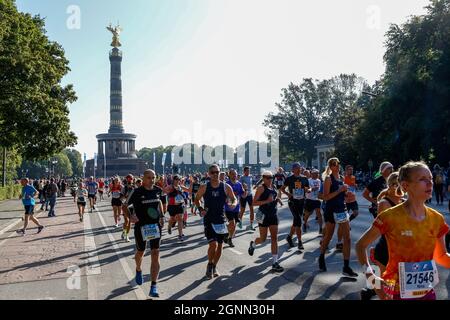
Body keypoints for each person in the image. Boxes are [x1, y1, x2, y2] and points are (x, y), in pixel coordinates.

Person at [356, 161, 450, 300]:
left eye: (430, 179)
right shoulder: (390, 216)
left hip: (426, 292)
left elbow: (440, 256)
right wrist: (372, 279)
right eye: (423, 179)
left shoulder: (437, 219)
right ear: (406, 185)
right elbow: (360, 246)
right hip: (395, 293)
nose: (430, 183)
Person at [360, 171, 404, 300]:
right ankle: (370, 291)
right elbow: (384, 229)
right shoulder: (384, 203)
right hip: (386, 249)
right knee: (387, 291)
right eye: (395, 185)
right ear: (389, 186)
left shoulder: (405, 202)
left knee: (396, 288)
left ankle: (369, 291)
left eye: (400, 184)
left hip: (401, 250)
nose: (398, 188)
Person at [195, 164, 237, 279]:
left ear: (220, 173)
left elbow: (234, 198)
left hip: (220, 220)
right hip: (209, 219)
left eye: (217, 172)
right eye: (212, 172)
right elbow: (197, 199)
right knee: (213, 244)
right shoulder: (204, 187)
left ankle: (214, 266)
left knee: (220, 245)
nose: (215, 174)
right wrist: (200, 209)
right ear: (209, 174)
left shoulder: (225, 187)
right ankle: (209, 264)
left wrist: (233, 204)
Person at [126, 170, 164, 298]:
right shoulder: (136, 192)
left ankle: (154, 285)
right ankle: (138, 268)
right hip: (141, 227)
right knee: (141, 252)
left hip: (155, 226)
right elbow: (125, 206)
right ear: (143, 178)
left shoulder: (158, 190)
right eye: (149, 178)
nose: (152, 180)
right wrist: (131, 216)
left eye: (153, 177)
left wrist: (162, 216)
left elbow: (160, 203)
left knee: (155, 252)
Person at [318, 158, 358, 277]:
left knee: (348, 238)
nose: (337, 166)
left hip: (342, 209)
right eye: (334, 164)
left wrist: (346, 194)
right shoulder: (328, 179)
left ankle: (346, 267)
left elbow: (341, 194)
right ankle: (321, 257)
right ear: (330, 167)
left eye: (338, 163)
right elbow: (325, 197)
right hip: (331, 210)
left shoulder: (341, 178)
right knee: (329, 236)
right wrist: (340, 190)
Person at [248, 171, 284, 272]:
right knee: (263, 239)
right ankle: (253, 244)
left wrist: (277, 200)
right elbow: (254, 203)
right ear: (263, 178)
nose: (270, 179)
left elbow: (274, 197)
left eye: (271, 177)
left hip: (273, 215)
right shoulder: (261, 188)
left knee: (274, 238)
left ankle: (275, 262)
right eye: (267, 178)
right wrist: (267, 201)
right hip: (263, 216)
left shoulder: (273, 187)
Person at [281, 162, 310, 252]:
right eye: (296, 168)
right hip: (292, 202)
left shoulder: (304, 178)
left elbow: (307, 188)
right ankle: (300, 242)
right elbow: (282, 188)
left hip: (301, 202)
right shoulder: (289, 179)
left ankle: (289, 237)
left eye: (299, 167)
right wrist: (288, 194)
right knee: (298, 220)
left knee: (296, 221)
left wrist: (308, 190)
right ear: (293, 169)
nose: (298, 169)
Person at [335, 165, 359, 251]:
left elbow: (352, 186)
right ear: (346, 171)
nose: (351, 171)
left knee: (356, 213)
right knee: (342, 223)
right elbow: (341, 188)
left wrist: (355, 186)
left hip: (353, 200)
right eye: (349, 169)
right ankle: (339, 242)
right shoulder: (343, 178)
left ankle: (348, 222)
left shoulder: (353, 177)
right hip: (345, 201)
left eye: (352, 169)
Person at [164, 175, 190, 241]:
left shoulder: (180, 186)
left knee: (180, 219)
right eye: (176, 179)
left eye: (178, 179)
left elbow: (189, 190)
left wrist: (192, 183)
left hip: (180, 205)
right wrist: (167, 191)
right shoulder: (170, 187)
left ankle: (180, 235)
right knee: (172, 219)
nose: (177, 181)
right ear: (173, 180)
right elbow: (163, 191)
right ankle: (169, 226)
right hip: (172, 205)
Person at [225, 169, 246, 248]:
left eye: (235, 174)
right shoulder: (226, 184)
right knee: (232, 223)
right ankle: (225, 233)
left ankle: (229, 238)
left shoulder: (239, 184)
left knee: (234, 226)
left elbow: (243, 195)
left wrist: (246, 189)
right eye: (233, 174)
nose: (234, 176)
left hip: (236, 207)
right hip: (228, 207)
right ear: (229, 175)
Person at [303, 169, 323, 235]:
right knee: (308, 213)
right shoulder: (308, 181)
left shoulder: (319, 181)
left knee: (319, 213)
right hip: (309, 199)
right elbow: (306, 190)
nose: (317, 174)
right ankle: (305, 223)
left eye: (318, 173)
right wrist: (311, 189)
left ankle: (320, 229)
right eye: (315, 173)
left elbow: (320, 189)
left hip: (317, 199)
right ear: (312, 174)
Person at [239, 166, 256, 231]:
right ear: (244, 171)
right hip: (243, 196)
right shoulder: (242, 178)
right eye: (247, 171)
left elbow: (251, 185)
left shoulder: (250, 177)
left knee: (252, 209)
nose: (248, 172)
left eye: (249, 171)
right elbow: (240, 186)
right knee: (242, 210)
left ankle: (251, 225)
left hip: (250, 195)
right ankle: (240, 222)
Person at [120, 174, 135, 242]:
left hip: (132, 206)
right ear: (126, 179)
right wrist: (125, 199)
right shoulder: (124, 188)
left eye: (131, 178)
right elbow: (120, 198)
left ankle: (124, 232)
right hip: (125, 206)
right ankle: (126, 236)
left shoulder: (134, 187)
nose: (130, 180)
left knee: (129, 223)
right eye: (128, 178)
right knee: (127, 221)